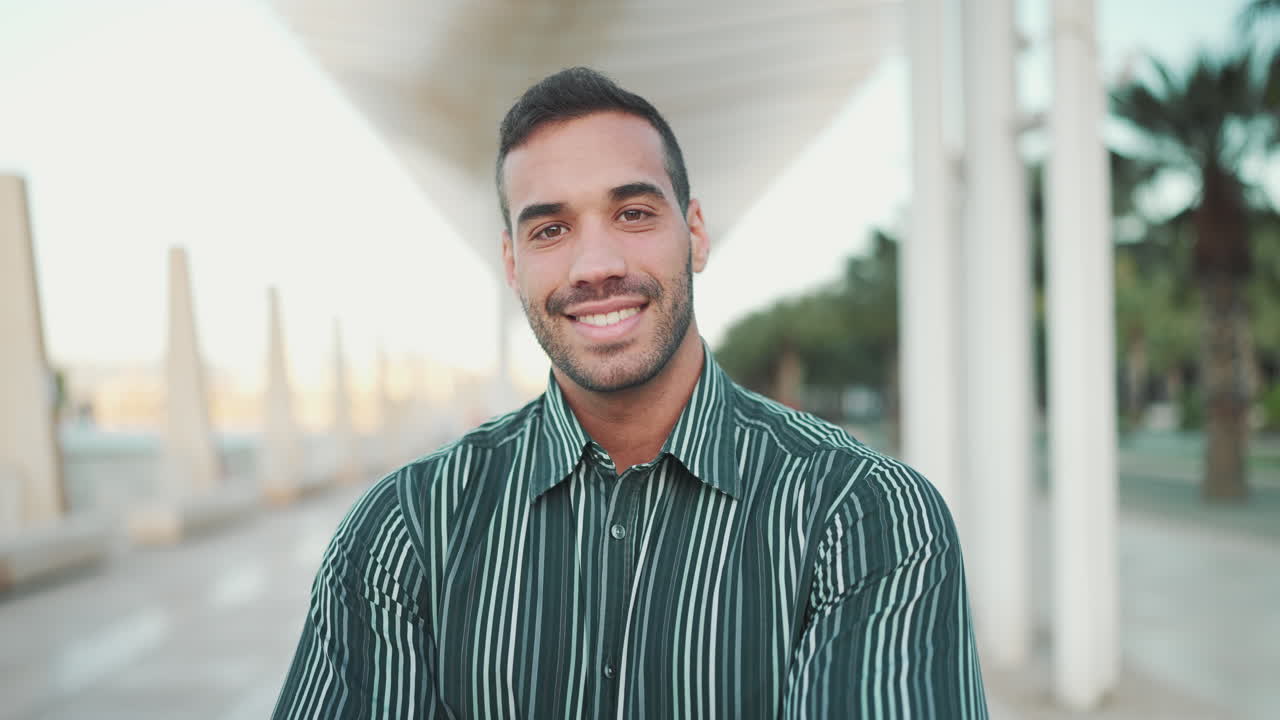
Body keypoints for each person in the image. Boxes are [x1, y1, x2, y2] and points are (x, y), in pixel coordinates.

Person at [273, 67, 988, 719]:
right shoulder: (406, 534)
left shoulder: (863, 517)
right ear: (512, 262)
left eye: (634, 214)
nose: (597, 265)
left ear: (696, 234)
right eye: (551, 229)